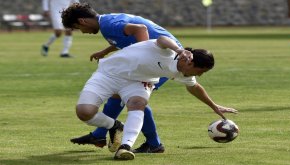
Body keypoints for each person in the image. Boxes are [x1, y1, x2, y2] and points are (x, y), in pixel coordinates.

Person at [74, 35, 238, 160]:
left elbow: (194, 87)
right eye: (201, 71)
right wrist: (179, 50)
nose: (200, 75)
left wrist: (214, 106)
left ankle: (125, 146)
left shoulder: (184, 73)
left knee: (138, 103)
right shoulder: (170, 51)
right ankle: (114, 126)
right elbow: (161, 39)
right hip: (108, 74)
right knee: (84, 112)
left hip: (139, 82)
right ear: (190, 63)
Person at [62, 2, 182, 153]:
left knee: (135, 99)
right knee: (121, 96)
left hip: (166, 60)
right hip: (164, 58)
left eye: (79, 29)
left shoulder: (109, 25)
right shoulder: (107, 22)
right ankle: (100, 135)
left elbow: (140, 29)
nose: (83, 32)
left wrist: (144, 57)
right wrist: (105, 51)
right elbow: (125, 38)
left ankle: (153, 144)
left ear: (82, 21)